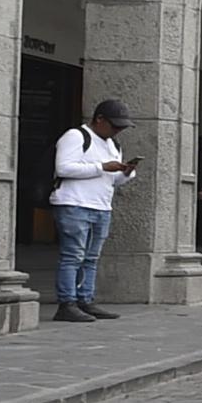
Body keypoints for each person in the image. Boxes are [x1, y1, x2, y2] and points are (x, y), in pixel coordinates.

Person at [49, 98, 135, 322]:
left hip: (101, 205)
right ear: (99, 119)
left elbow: (112, 181)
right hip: (73, 203)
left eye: (121, 128)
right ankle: (66, 303)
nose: (118, 131)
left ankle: (85, 299)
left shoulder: (113, 145)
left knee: (91, 257)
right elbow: (63, 168)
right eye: (115, 126)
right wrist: (102, 167)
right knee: (72, 256)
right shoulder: (76, 136)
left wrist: (125, 173)